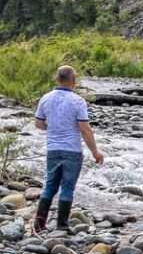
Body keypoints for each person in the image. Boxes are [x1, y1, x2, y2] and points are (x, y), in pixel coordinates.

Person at [32, 65, 104, 233]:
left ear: (57, 79)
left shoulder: (46, 98)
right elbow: (85, 129)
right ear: (73, 80)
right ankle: (62, 225)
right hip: (72, 150)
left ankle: (39, 224)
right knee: (67, 187)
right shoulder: (78, 101)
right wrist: (95, 151)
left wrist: (54, 127)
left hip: (53, 149)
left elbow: (39, 124)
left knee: (50, 186)